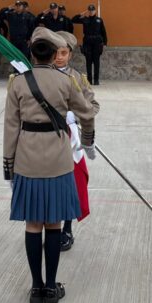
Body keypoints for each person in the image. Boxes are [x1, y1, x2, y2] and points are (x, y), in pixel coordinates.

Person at [4, 27, 96, 303]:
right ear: (55, 54)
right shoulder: (66, 81)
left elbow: (10, 127)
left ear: (31, 53)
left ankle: (36, 287)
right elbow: (87, 113)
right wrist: (87, 141)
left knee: (33, 224)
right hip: (57, 157)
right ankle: (51, 287)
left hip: (27, 157)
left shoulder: (18, 83)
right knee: (53, 222)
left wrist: (8, 165)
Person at [53, 31, 100, 252]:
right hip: (47, 137)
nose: (59, 57)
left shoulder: (78, 78)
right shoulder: (40, 76)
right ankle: (51, 226)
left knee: (71, 183)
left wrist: (75, 116)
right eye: (55, 52)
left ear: (70, 54)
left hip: (70, 138)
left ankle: (67, 228)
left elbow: (93, 106)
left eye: (63, 53)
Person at [71, 4, 108, 86]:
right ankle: (89, 80)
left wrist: (105, 43)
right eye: (90, 10)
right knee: (88, 62)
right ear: (88, 11)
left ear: (95, 11)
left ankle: (96, 80)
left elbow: (103, 31)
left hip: (97, 43)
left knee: (96, 62)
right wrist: (82, 14)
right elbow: (73, 19)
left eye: (92, 10)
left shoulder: (99, 20)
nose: (91, 12)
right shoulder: (85, 19)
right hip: (87, 42)